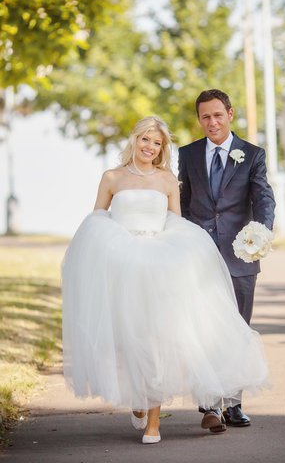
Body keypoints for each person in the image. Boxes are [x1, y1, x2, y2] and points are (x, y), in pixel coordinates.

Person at [62, 116, 268, 445]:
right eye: (145, 139)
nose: (150, 147)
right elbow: (97, 219)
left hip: (158, 265)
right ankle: (140, 401)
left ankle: (153, 422)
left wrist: (181, 254)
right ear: (135, 140)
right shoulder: (112, 178)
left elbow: (176, 223)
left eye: (156, 143)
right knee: (130, 341)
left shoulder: (168, 180)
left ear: (162, 149)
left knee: (157, 339)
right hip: (123, 265)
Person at [178, 89, 275, 431]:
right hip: (199, 256)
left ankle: (234, 404)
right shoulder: (187, 154)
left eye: (218, 115)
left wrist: (260, 234)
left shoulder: (252, 155)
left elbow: (263, 198)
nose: (212, 122)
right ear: (199, 119)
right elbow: (184, 202)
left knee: (237, 330)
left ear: (230, 114)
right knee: (203, 328)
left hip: (240, 255)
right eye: (205, 116)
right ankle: (209, 405)